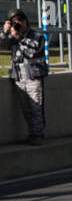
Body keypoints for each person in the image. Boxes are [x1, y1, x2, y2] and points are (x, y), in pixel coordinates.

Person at [3, 9, 47, 145]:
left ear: (26, 21)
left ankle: (38, 135)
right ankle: (32, 133)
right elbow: (2, 46)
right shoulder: (12, 35)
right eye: (15, 22)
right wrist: (4, 33)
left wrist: (20, 37)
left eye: (20, 20)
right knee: (26, 109)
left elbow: (32, 51)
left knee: (36, 107)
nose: (18, 24)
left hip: (33, 75)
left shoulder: (36, 35)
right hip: (18, 76)